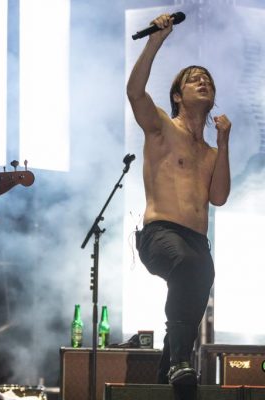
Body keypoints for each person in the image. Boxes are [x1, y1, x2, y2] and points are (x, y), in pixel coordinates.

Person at [127, 14, 231, 385]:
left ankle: (167, 377)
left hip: (196, 242)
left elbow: (218, 197)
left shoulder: (211, 152)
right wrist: (156, 39)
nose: (203, 82)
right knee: (190, 267)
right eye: (194, 79)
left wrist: (223, 144)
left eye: (208, 80)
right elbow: (135, 93)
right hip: (160, 234)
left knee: (197, 283)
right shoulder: (161, 127)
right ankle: (179, 362)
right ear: (177, 95)